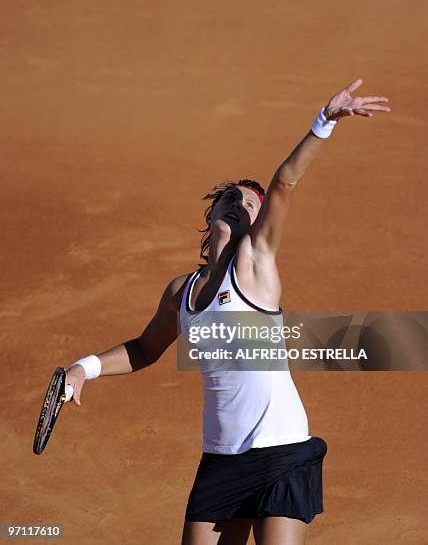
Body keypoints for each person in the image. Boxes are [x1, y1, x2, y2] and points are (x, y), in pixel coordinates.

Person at [65, 79, 390, 545]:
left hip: (282, 451)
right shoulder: (184, 290)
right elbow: (144, 349)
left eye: (249, 205)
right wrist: (83, 369)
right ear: (211, 210)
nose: (238, 206)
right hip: (221, 459)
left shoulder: (255, 266)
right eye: (230, 198)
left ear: (258, 226)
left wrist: (325, 122)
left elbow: (285, 182)